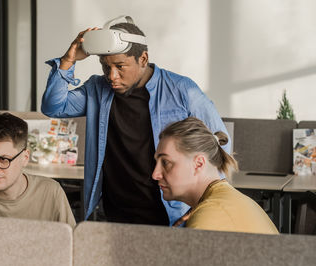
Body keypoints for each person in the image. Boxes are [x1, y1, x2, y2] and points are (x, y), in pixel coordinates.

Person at [41, 16, 230, 226]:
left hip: (169, 214)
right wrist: (69, 61)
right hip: (114, 212)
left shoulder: (182, 90)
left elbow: (221, 146)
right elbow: (54, 106)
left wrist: (202, 206)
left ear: (143, 59)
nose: (112, 76)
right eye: (106, 66)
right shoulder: (97, 88)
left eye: (120, 66)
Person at [152, 117, 278, 234]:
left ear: (198, 164)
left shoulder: (209, 217)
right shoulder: (224, 201)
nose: (155, 174)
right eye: (156, 162)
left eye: (166, 162)